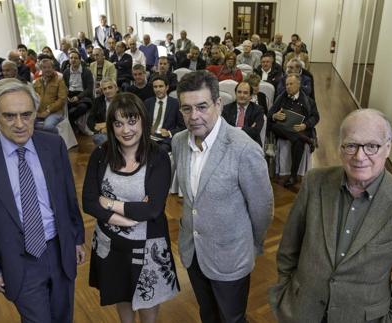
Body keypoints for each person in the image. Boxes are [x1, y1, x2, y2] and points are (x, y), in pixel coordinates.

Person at [270, 108, 392, 323]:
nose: (359, 156)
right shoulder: (314, 182)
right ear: (340, 147)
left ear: (388, 148)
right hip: (301, 311)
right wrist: (284, 289)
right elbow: (289, 246)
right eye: (351, 145)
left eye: (372, 146)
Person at [0, 78, 85, 323]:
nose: (20, 124)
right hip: (16, 259)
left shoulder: (53, 144)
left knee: (63, 317)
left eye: (26, 115)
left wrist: (77, 237)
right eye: (9, 116)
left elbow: (67, 196)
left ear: (36, 111)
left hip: (59, 249)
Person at [172, 70, 273, 323]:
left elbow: (262, 209)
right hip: (194, 253)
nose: (194, 116)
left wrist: (249, 245)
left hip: (230, 257)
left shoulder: (244, 149)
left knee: (232, 318)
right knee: (208, 314)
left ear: (218, 104)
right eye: (186, 109)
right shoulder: (179, 141)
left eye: (202, 106)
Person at [83, 92, 179, 323]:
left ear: (143, 121)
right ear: (111, 126)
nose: (126, 130)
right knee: (121, 296)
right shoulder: (100, 154)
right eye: (118, 123)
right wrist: (124, 217)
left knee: (147, 301)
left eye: (132, 121)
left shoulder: (158, 157)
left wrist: (107, 203)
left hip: (148, 246)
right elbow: (88, 201)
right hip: (110, 244)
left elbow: (153, 210)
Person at [268, 74, 319, 187]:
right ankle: (307, 140)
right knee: (275, 126)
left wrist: (305, 125)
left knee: (298, 141)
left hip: (299, 129)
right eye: (286, 84)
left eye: (291, 84)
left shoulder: (308, 100)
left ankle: (293, 175)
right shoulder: (281, 97)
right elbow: (270, 114)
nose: (288, 87)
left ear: (298, 84)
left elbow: (316, 117)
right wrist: (275, 116)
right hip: (283, 128)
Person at [144, 75, 185, 152]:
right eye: (155, 87)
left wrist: (169, 133)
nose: (158, 89)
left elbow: (183, 127)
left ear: (167, 87)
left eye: (161, 86)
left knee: (160, 151)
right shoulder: (148, 102)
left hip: (164, 140)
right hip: (149, 137)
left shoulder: (175, 103)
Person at [221, 81, 265, 146]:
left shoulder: (258, 110)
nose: (242, 95)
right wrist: (248, 129)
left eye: (245, 93)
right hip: (229, 144)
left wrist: (235, 128)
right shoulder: (226, 109)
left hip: (251, 144)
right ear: (235, 93)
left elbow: (255, 131)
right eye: (239, 92)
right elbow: (223, 130)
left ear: (250, 96)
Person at [63, 50, 95, 135]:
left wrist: (78, 97)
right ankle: (74, 125)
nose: (73, 60)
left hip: (83, 95)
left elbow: (89, 89)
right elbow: (64, 87)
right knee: (63, 108)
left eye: (75, 58)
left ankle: (73, 123)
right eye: (71, 58)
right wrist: (67, 96)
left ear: (80, 60)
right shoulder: (66, 72)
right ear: (69, 60)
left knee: (83, 107)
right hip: (69, 95)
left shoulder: (86, 72)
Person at [33, 58, 68, 133]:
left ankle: (58, 139)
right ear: (41, 69)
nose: (47, 70)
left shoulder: (59, 81)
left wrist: (48, 111)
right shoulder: (36, 82)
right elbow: (33, 99)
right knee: (29, 124)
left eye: (49, 67)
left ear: (53, 68)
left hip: (55, 112)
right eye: (44, 67)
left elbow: (62, 100)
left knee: (48, 127)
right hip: (39, 111)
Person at [89, 78, 118, 145]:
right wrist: (100, 129)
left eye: (110, 87)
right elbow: (90, 120)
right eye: (104, 89)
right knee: (100, 139)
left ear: (116, 88)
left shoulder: (123, 100)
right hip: (103, 133)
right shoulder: (97, 101)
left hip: (120, 131)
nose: (107, 91)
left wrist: (106, 125)